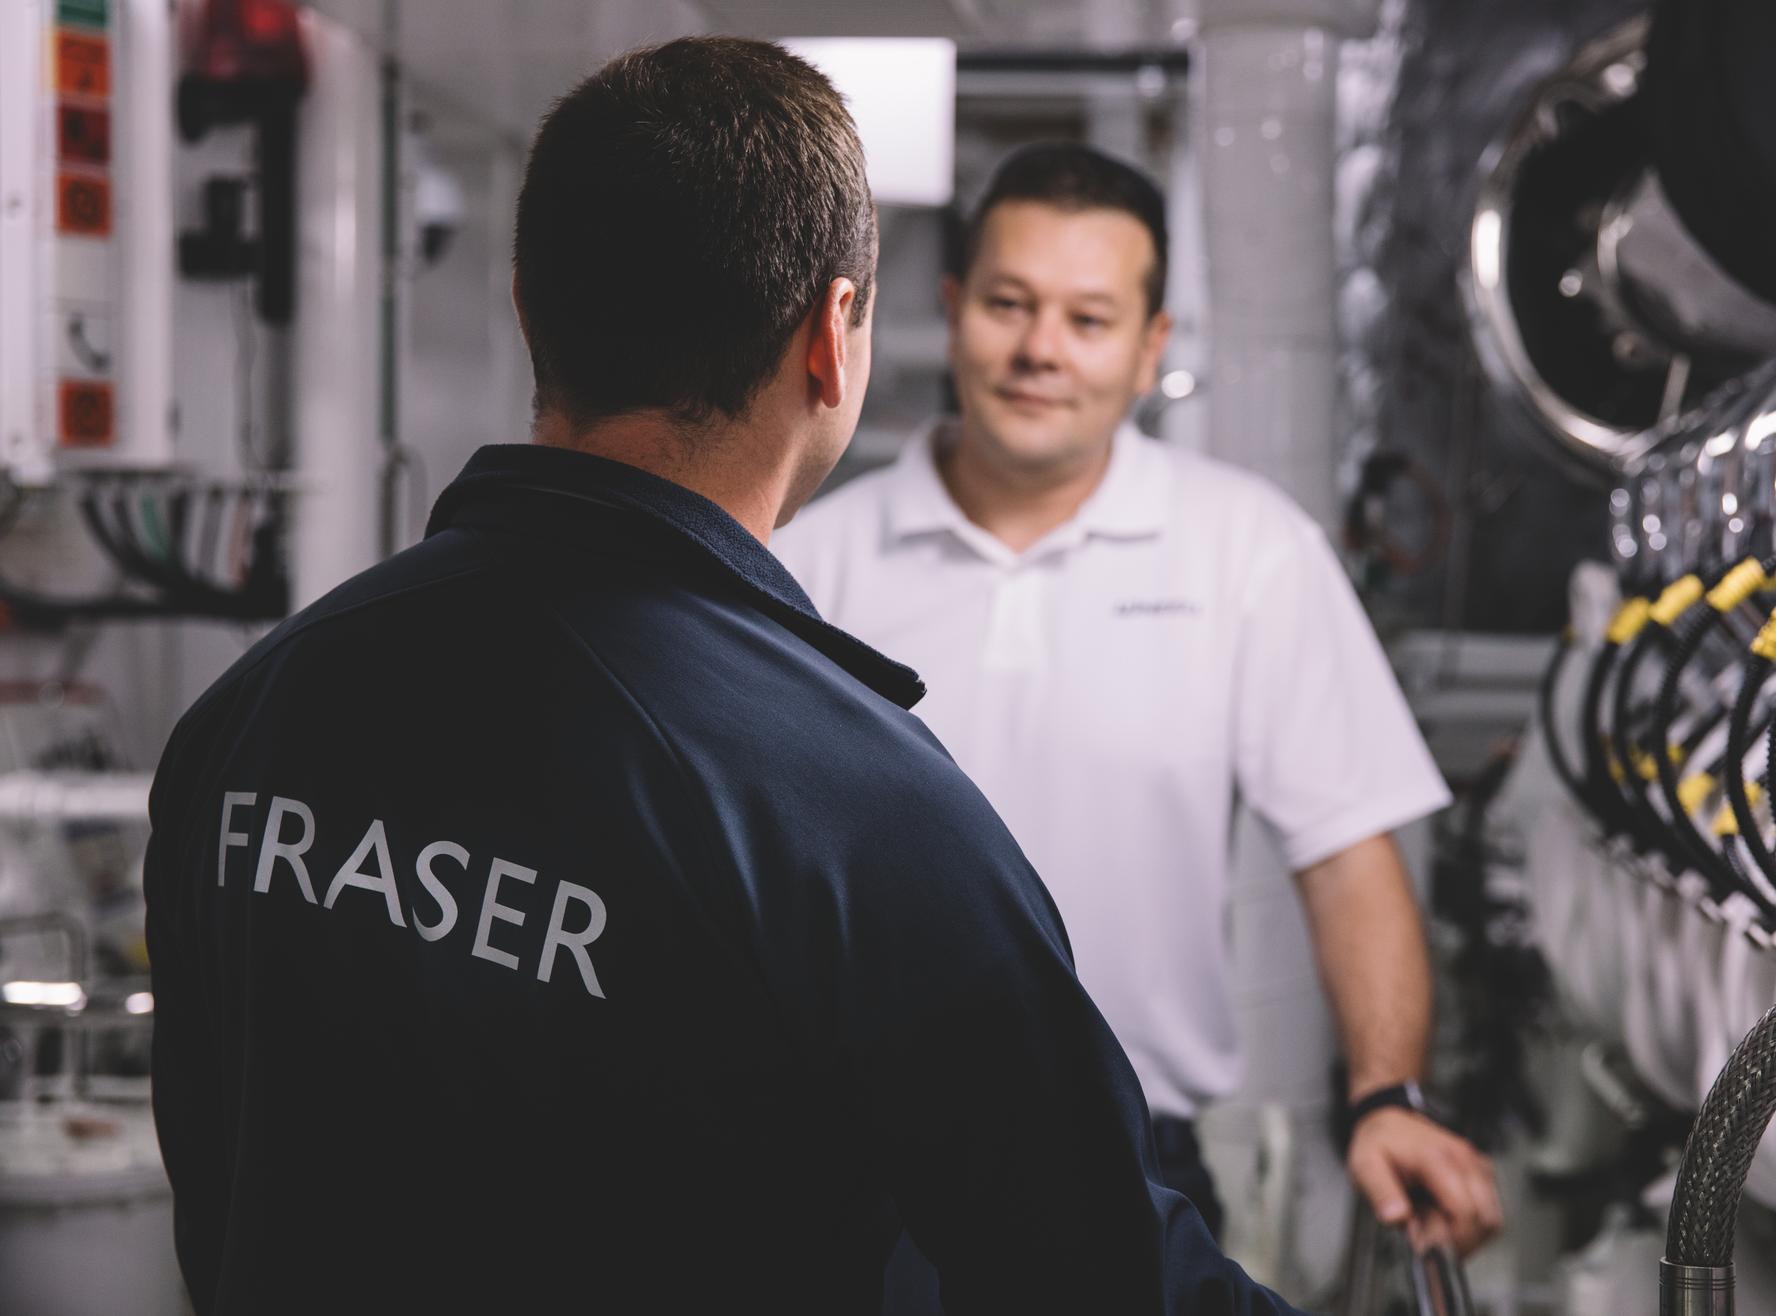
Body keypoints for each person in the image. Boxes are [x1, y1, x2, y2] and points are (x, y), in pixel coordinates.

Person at [144, 39, 1304, 1316]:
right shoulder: (859, 812)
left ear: (529, 301)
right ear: (830, 337)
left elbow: (216, 1191)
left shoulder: (255, 711)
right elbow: (1099, 1278)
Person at [775, 144, 1503, 1284]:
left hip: (1128, 1155)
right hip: (846, 1153)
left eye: (1088, 317)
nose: (1039, 351)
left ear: (1150, 344)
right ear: (952, 306)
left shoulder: (1246, 550)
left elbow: (1347, 851)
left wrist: (1387, 1094)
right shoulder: (810, 557)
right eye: (1009, 304)